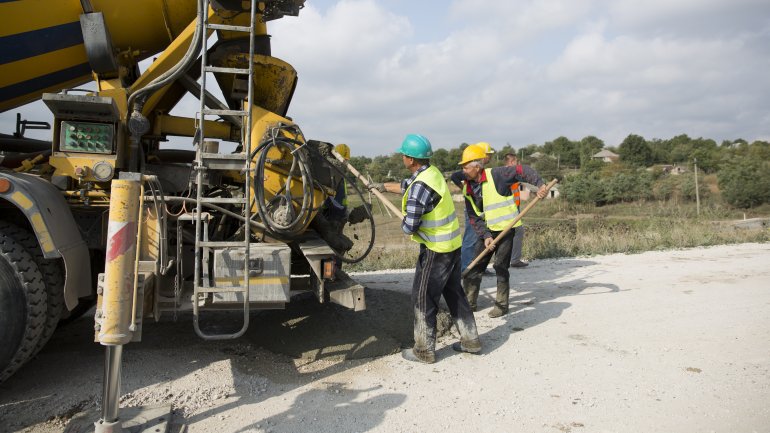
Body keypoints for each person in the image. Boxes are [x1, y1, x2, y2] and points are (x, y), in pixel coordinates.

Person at [380, 134, 482, 363]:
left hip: (436, 250)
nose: (402, 157)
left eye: (403, 155)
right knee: (454, 292)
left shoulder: (419, 189)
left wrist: (405, 221)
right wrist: (383, 187)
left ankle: (424, 350)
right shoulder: (432, 173)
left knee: (423, 296)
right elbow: (407, 185)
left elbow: (409, 227)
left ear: (411, 160)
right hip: (452, 246)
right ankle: (471, 340)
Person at [458, 144, 547, 317]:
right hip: (487, 231)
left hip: (506, 229)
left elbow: (522, 170)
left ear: (477, 167)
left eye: (466, 166)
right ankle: (468, 303)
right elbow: (473, 216)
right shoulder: (468, 187)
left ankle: (501, 304)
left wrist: (540, 184)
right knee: (475, 266)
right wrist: (485, 236)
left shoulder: (497, 175)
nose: (463, 170)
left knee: (500, 266)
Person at [449, 142, 495, 274]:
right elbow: (454, 176)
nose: (489, 158)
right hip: (473, 211)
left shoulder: (482, 172)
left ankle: (478, 266)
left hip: (481, 211)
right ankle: (465, 268)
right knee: (470, 240)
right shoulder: (469, 170)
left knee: (481, 240)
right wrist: (464, 189)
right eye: (488, 155)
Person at [504, 153, 528, 268]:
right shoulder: (508, 174)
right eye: (516, 162)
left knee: (514, 232)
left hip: (514, 207)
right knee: (517, 231)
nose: (518, 164)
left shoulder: (505, 173)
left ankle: (511, 259)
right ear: (512, 162)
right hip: (509, 209)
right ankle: (514, 260)